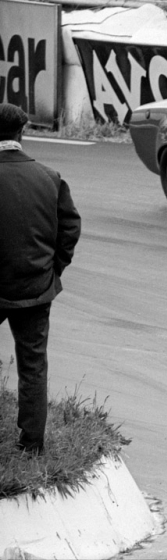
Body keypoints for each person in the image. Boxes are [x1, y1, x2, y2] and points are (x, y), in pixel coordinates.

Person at [0, 104, 81, 456]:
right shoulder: (49, 176)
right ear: (23, 132)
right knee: (33, 365)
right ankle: (31, 445)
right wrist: (54, 269)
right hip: (35, 287)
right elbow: (70, 228)